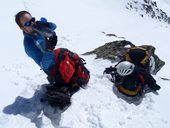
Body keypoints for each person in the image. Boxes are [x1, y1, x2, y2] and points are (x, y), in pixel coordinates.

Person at [15, 11, 90, 97]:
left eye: (33, 19)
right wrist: (48, 50)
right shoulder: (29, 45)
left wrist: (47, 25)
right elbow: (44, 66)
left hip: (54, 56)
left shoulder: (37, 27)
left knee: (66, 53)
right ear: (22, 28)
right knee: (66, 64)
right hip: (52, 68)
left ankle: (76, 73)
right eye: (28, 23)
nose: (32, 23)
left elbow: (54, 26)